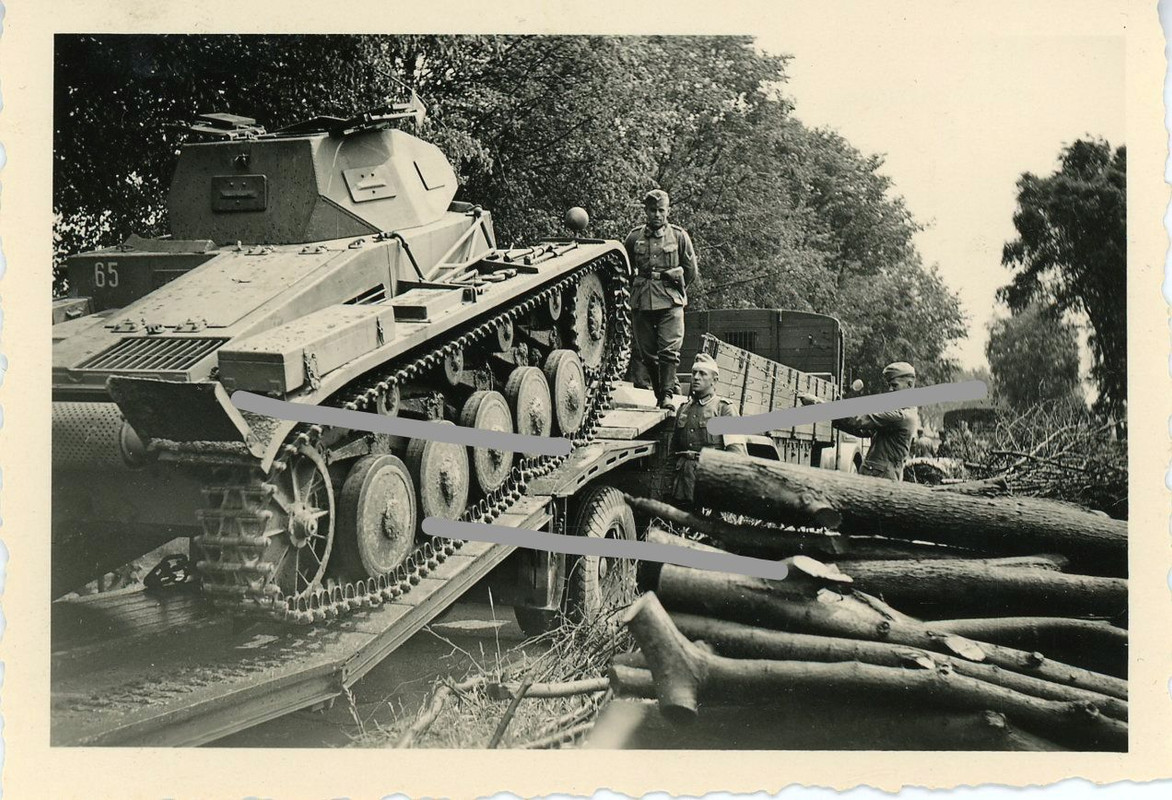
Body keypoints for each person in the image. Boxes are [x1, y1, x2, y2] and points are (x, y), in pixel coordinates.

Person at [625, 188, 698, 408]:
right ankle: (660, 394)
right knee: (648, 354)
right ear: (646, 211)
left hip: (670, 301)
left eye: (661, 210)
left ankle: (665, 396)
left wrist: (674, 288)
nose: (657, 215)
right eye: (652, 210)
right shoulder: (634, 237)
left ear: (668, 211)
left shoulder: (678, 236)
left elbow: (690, 270)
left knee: (669, 351)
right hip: (642, 299)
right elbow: (626, 269)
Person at [801, 361, 919, 481]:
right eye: (889, 385)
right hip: (882, 476)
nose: (890, 389)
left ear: (909, 385)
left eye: (894, 385)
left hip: (880, 480)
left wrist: (817, 403)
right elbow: (863, 430)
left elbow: (860, 419)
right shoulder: (906, 411)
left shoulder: (900, 415)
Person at [670, 352, 747, 505]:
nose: (696, 377)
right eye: (694, 373)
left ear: (714, 380)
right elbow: (673, 452)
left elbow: (736, 455)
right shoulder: (683, 409)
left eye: (702, 374)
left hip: (710, 485)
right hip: (683, 484)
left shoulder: (724, 409)